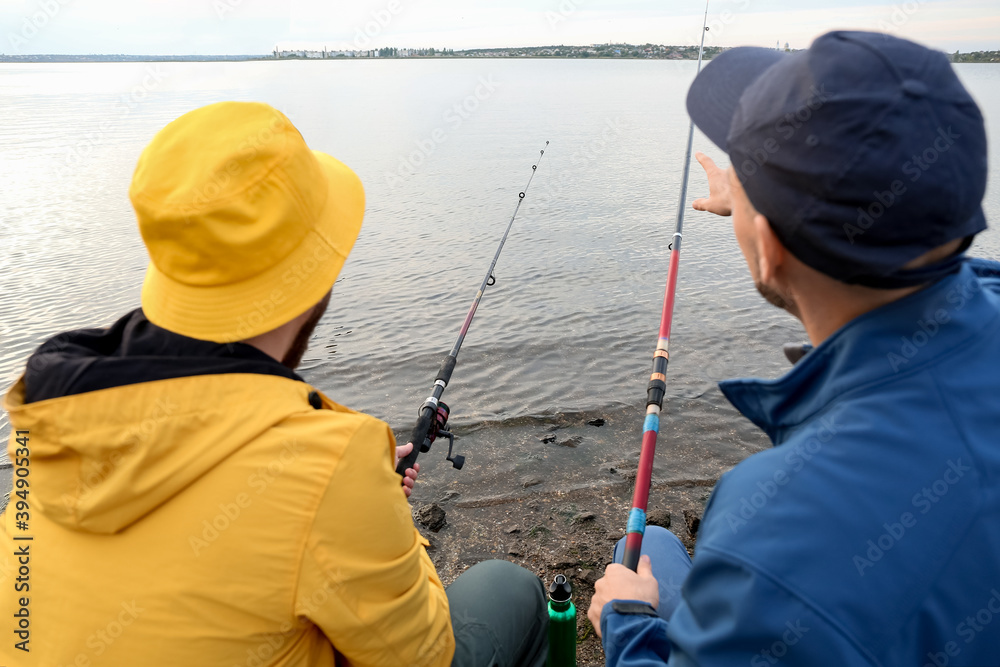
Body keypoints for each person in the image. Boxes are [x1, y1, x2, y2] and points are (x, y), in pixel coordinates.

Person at [0, 102, 547, 666]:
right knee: (508, 589)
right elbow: (424, 656)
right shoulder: (332, 464)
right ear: (316, 277)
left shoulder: (49, 422)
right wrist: (376, 515)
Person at [587, 31, 1000, 666]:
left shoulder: (776, 539)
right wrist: (761, 208)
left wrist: (626, 623)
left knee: (642, 557)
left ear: (772, 245)